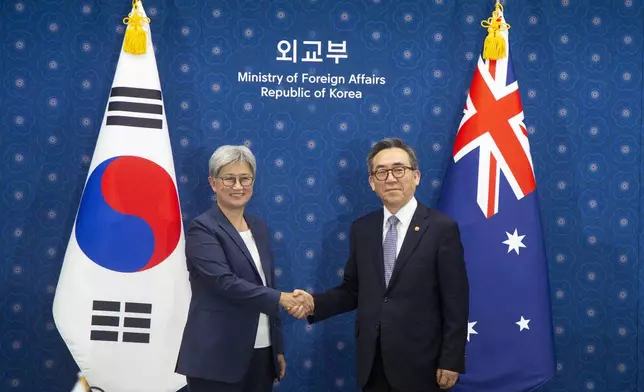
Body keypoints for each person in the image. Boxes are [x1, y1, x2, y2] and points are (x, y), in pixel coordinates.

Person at [291, 137, 470, 392]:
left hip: (423, 365)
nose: (390, 178)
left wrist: (451, 360)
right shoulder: (362, 229)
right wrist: (313, 303)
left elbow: (456, 301)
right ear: (372, 182)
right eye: (381, 172)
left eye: (399, 169)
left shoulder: (441, 229)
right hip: (373, 363)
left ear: (416, 176)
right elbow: (353, 290)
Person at [175, 145, 305, 392]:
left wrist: (275, 348)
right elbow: (224, 282)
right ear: (213, 183)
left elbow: (267, 285)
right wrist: (282, 299)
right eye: (229, 179)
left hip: (260, 354)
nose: (238, 186)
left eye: (245, 178)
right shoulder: (202, 228)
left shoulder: (259, 227)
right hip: (216, 357)